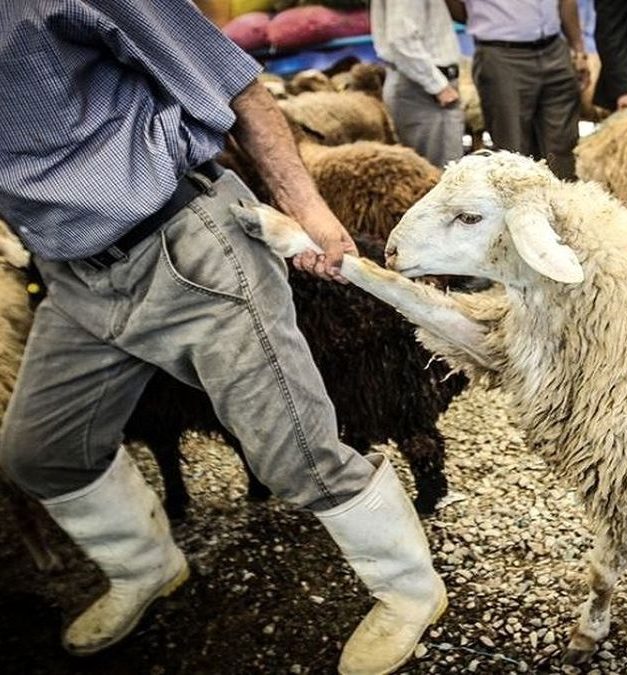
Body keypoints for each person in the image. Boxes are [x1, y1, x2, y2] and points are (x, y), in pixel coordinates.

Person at [0, 2, 443, 673]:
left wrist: (311, 211)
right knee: (40, 451)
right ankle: (147, 566)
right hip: (72, 274)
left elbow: (234, 79)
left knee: (297, 451)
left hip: (184, 243)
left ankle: (411, 590)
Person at [445, 0, 590, 179]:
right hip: (502, 54)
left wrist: (578, 49)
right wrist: (486, 19)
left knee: (564, 147)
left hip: (554, 49)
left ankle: (565, 203)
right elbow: (456, 9)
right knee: (514, 152)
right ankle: (523, 204)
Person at [371, 0, 465, 168]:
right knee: (443, 175)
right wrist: (438, 86)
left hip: (421, 84)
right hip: (423, 90)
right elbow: (402, 38)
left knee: (442, 172)